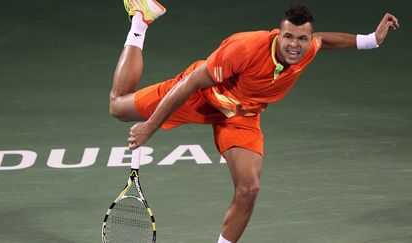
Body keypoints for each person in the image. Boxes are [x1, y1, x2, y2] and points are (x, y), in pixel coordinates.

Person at [109, 0, 399, 242]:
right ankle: (141, 20)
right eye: (288, 37)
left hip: (242, 117)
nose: (294, 45)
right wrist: (150, 127)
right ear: (279, 34)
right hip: (203, 97)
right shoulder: (245, 48)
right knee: (119, 106)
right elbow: (192, 83)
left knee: (249, 188)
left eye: (301, 38)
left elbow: (324, 40)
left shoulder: (307, 48)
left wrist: (371, 40)